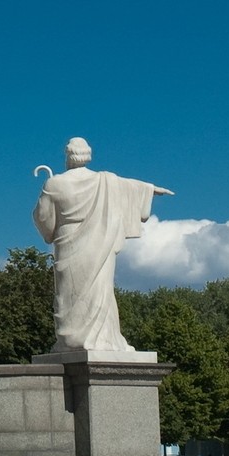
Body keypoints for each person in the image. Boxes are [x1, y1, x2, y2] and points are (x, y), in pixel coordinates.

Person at [32, 137, 172, 352]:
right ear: (88, 155)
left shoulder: (55, 183)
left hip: (69, 242)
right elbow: (129, 187)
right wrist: (150, 189)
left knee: (71, 294)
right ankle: (104, 339)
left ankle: (75, 340)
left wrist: (50, 231)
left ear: (68, 156)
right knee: (100, 290)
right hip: (100, 239)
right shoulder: (105, 181)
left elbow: (43, 218)